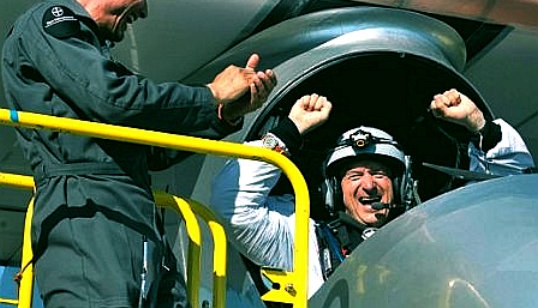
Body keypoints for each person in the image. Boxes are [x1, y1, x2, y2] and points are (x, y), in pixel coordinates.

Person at [2, 0, 276, 308]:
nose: (144, 11)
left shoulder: (96, 58)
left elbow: (148, 147)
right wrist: (210, 93)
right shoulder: (49, 24)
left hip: (134, 219)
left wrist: (222, 114)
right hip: (89, 215)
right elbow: (113, 99)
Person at [211, 90, 535, 299]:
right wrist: (289, 132)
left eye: (379, 173)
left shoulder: (438, 237)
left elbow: (507, 206)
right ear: (334, 191)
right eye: (355, 175)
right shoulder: (304, 243)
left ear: (401, 185)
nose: (368, 184)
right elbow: (234, 203)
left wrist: (481, 125)